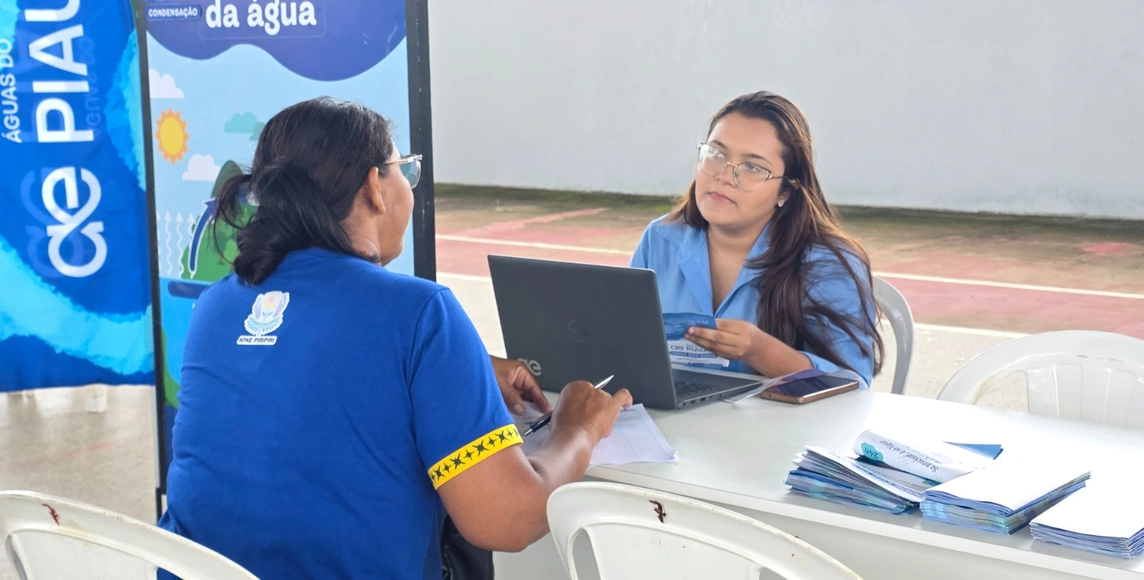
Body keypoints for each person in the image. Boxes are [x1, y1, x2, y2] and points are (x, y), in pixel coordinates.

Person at [157, 97, 631, 579]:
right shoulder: (420, 311)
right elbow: (508, 519)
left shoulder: (216, 304)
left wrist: (455, 368)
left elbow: (297, 383)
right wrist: (577, 427)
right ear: (374, 187)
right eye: (405, 168)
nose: (409, 184)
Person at [630, 91, 882, 384]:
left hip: (777, 416)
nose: (724, 176)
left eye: (752, 167)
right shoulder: (660, 239)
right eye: (716, 155)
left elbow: (853, 386)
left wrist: (760, 351)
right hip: (669, 413)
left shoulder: (828, 264)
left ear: (786, 191)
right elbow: (621, 342)